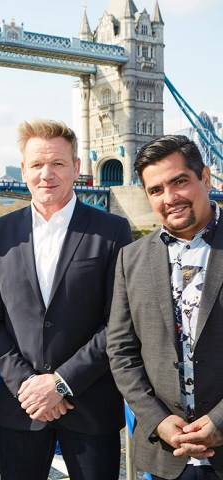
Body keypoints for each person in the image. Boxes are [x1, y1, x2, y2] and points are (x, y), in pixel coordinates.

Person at [0, 118, 132, 479]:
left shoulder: (112, 230)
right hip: (21, 407)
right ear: (23, 170)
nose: (47, 174)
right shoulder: (0, 233)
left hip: (90, 406)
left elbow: (120, 321)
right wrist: (27, 386)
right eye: (37, 164)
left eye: (58, 163)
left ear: (76, 168)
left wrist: (60, 383)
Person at [107, 134, 223, 480]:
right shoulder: (131, 258)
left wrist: (219, 421)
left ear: (204, 177)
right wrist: (156, 419)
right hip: (163, 456)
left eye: (179, 182)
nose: (170, 198)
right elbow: (121, 352)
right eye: (156, 190)